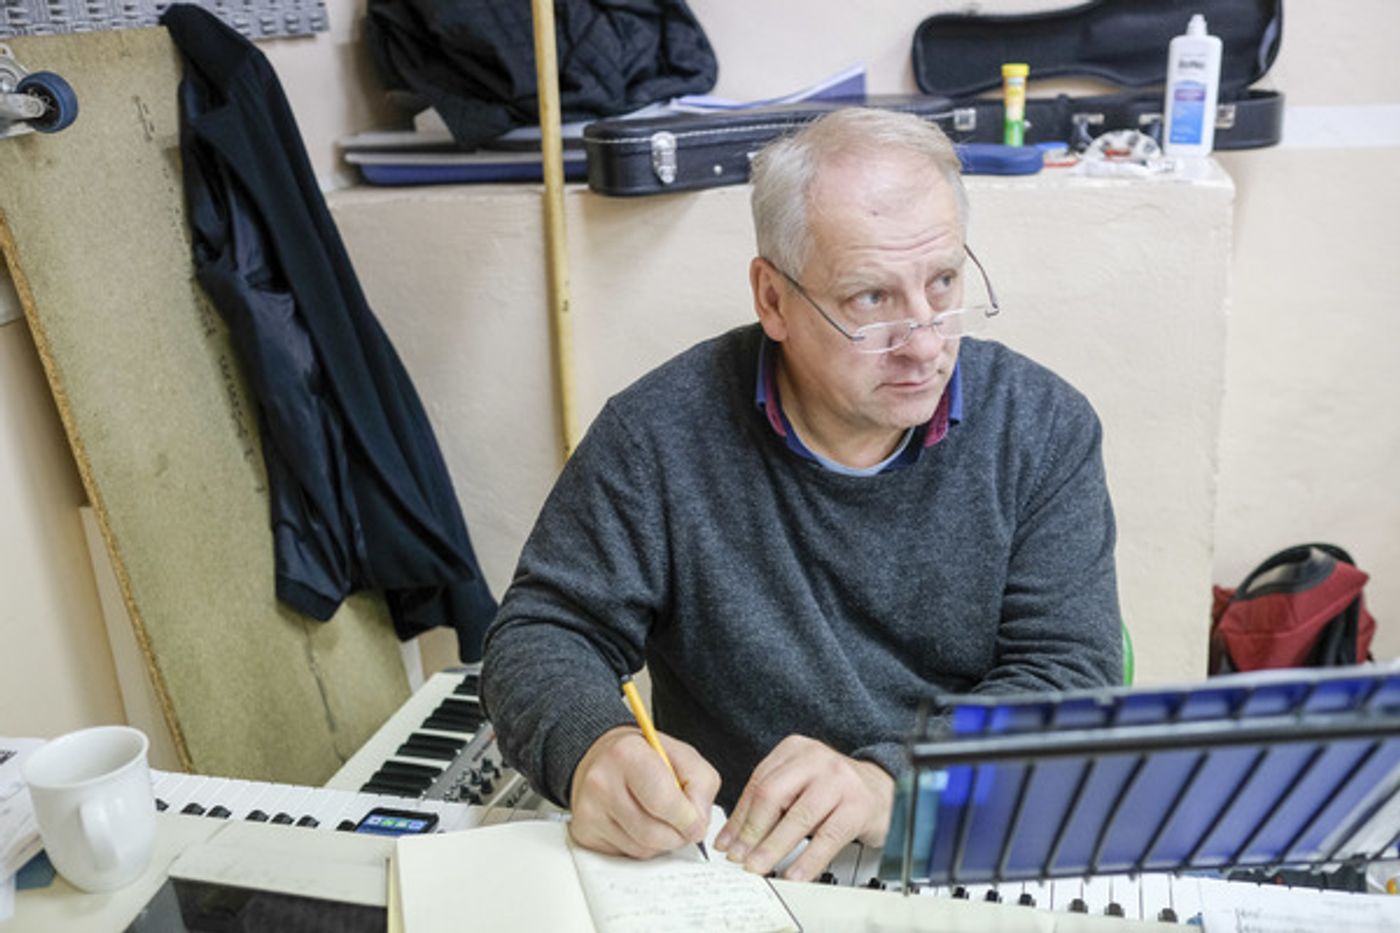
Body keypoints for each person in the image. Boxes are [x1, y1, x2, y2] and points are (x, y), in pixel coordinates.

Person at [480, 107, 1122, 883]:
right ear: (774, 299)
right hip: (735, 864)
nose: (923, 341)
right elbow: (543, 633)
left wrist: (890, 783)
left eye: (943, 282)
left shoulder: (1043, 428)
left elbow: (1068, 679)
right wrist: (595, 747)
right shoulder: (656, 436)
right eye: (869, 300)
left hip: (955, 842)